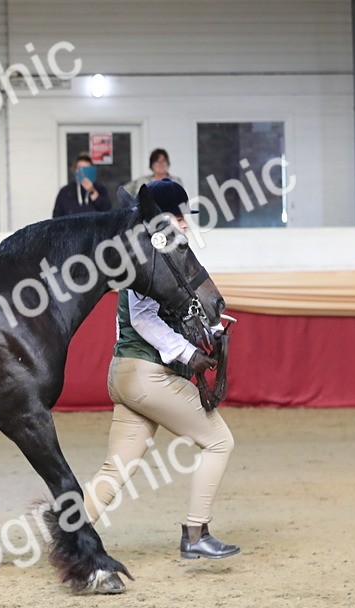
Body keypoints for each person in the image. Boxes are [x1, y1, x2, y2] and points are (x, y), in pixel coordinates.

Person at [84, 178, 240, 560]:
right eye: (182, 216)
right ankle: (195, 533)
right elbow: (144, 320)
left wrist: (212, 330)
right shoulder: (150, 254)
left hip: (126, 373)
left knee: (116, 469)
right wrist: (189, 355)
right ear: (165, 217)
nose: (187, 223)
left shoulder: (157, 255)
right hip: (146, 374)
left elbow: (169, 313)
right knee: (219, 442)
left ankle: (69, 535)